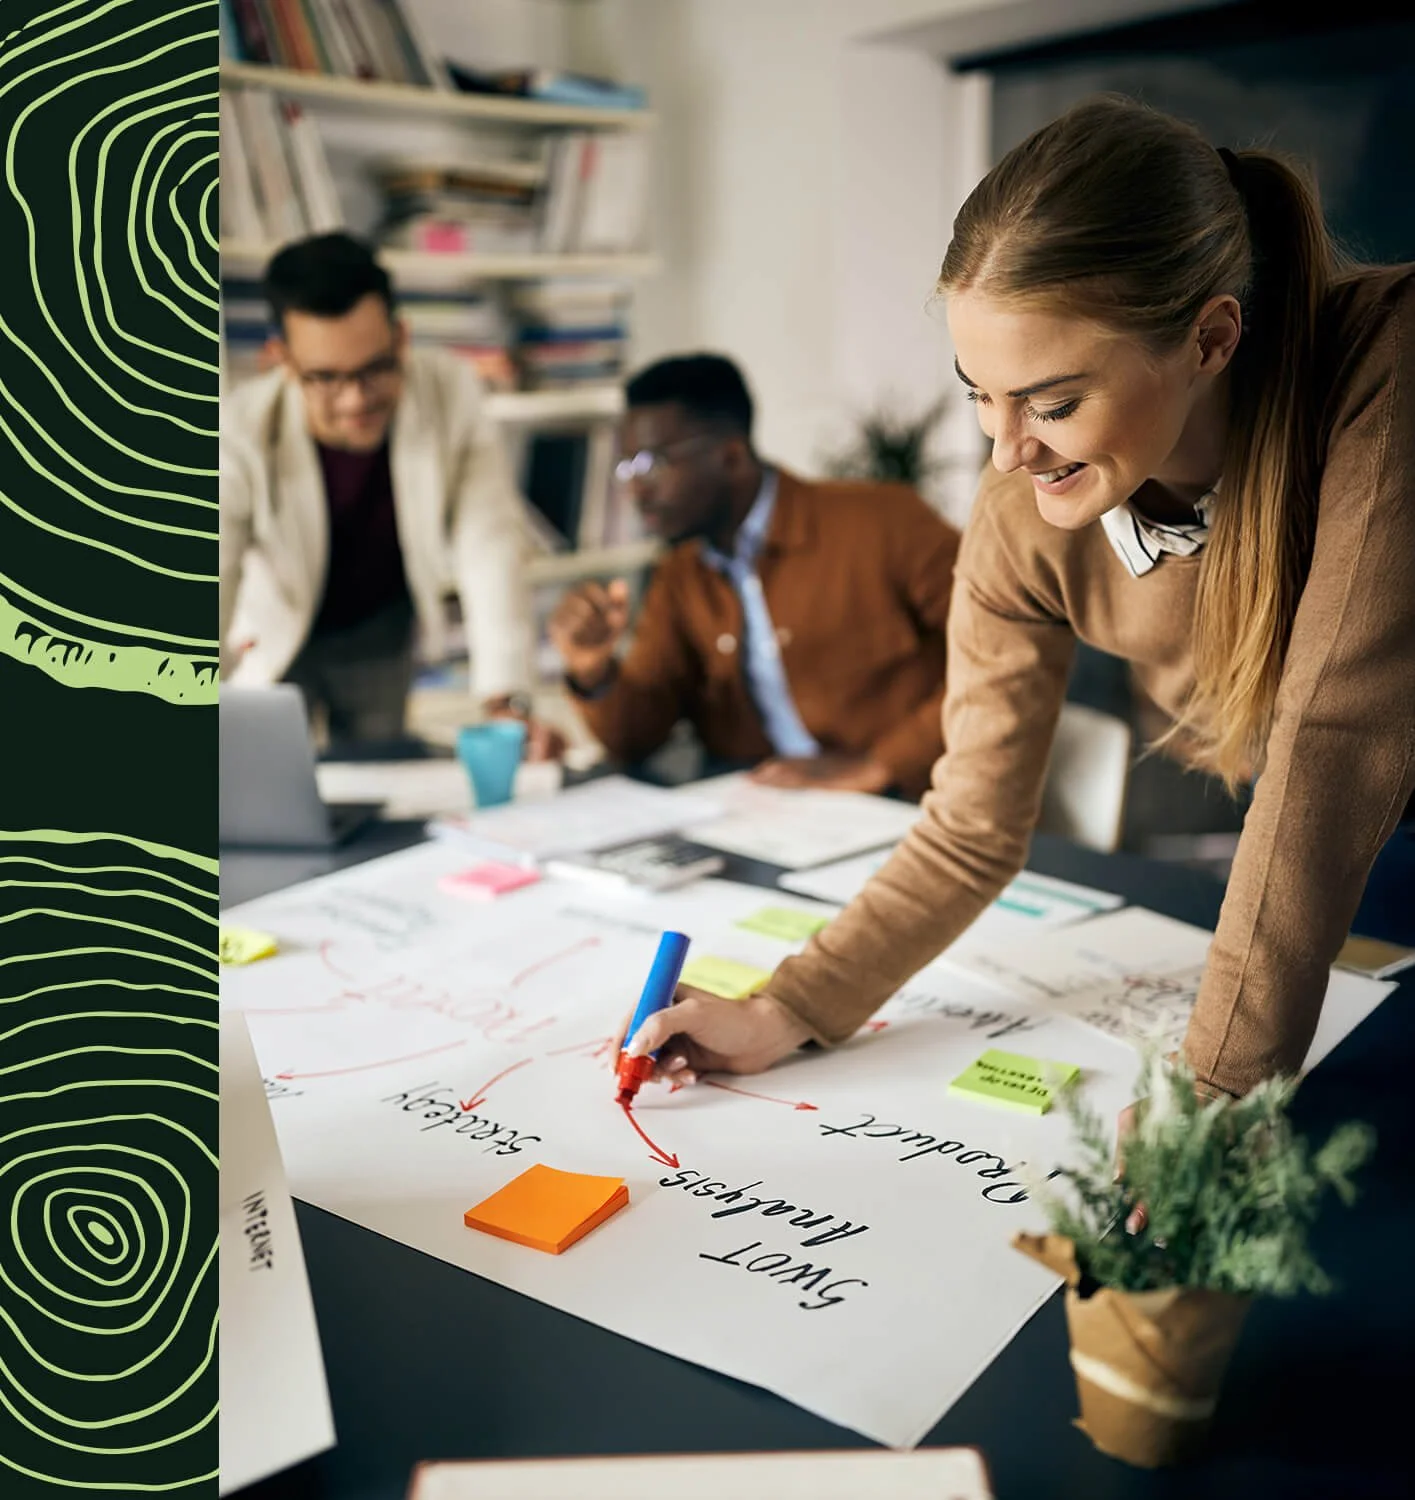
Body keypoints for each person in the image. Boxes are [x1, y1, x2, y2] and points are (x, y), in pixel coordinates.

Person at [622, 96, 1415, 1104]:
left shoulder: (1384, 370)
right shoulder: (1021, 510)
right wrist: (787, 1006)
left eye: (1052, 403)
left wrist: (1211, 1096)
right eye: (978, 394)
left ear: (1210, 341)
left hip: (1348, 807)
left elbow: (1330, 748)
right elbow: (970, 825)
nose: (1006, 453)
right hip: (1325, 841)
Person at [547, 353, 961, 799]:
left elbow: (1006, 657)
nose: (634, 489)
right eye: (626, 466)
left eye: (652, 465)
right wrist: (593, 671)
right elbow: (636, 738)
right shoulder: (679, 575)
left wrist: (881, 763)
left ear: (731, 455)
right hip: (762, 811)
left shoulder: (884, 521)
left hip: (911, 804)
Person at [220, 232, 561, 755]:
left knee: (380, 785)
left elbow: (488, 543)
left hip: (381, 635)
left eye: (376, 368)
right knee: (271, 789)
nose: (356, 399)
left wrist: (505, 700)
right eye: (327, 378)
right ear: (281, 360)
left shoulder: (451, 391)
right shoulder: (240, 427)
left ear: (402, 338)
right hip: (278, 634)